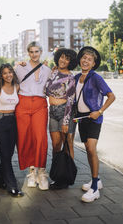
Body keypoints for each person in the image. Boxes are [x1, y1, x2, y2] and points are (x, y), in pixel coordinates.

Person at [75, 46, 115, 202]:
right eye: (84, 58)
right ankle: (96, 180)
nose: (85, 61)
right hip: (81, 119)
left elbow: (111, 96)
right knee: (87, 149)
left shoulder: (96, 78)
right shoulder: (77, 77)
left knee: (91, 149)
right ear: (80, 60)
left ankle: (94, 189)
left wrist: (100, 111)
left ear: (93, 64)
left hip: (93, 118)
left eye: (89, 59)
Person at [15, 42, 51, 190]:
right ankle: (31, 172)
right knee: (25, 138)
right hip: (22, 104)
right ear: (28, 53)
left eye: (37, 51)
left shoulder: (48, 70)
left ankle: (41, 172)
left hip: (40, 104)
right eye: (31, 52)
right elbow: (7, 78)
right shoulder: (20, 68)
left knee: (40, 138)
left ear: (41, 52)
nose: (34, 54)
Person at [45, 48, 77, 189]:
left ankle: (66, 177)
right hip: (52, 112)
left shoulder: (70, 78)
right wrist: (52, 73)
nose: (63, 60)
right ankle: (57, 175)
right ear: (58, 57)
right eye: (62, 57)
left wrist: (65, 121)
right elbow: (45, 90)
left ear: (70, 62)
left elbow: (70, 101)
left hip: (65, 113)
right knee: (56, 145)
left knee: (67, 145)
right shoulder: (53, 73)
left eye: (67, 59)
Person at [0, 63, 24, 197]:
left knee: (8, 154)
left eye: (10, 72)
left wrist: (17, 65)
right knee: (5, 155)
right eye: (4, 73)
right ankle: (12, 186)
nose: (8, 75)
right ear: (1, 75)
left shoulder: (17, 87)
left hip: (13, 121)